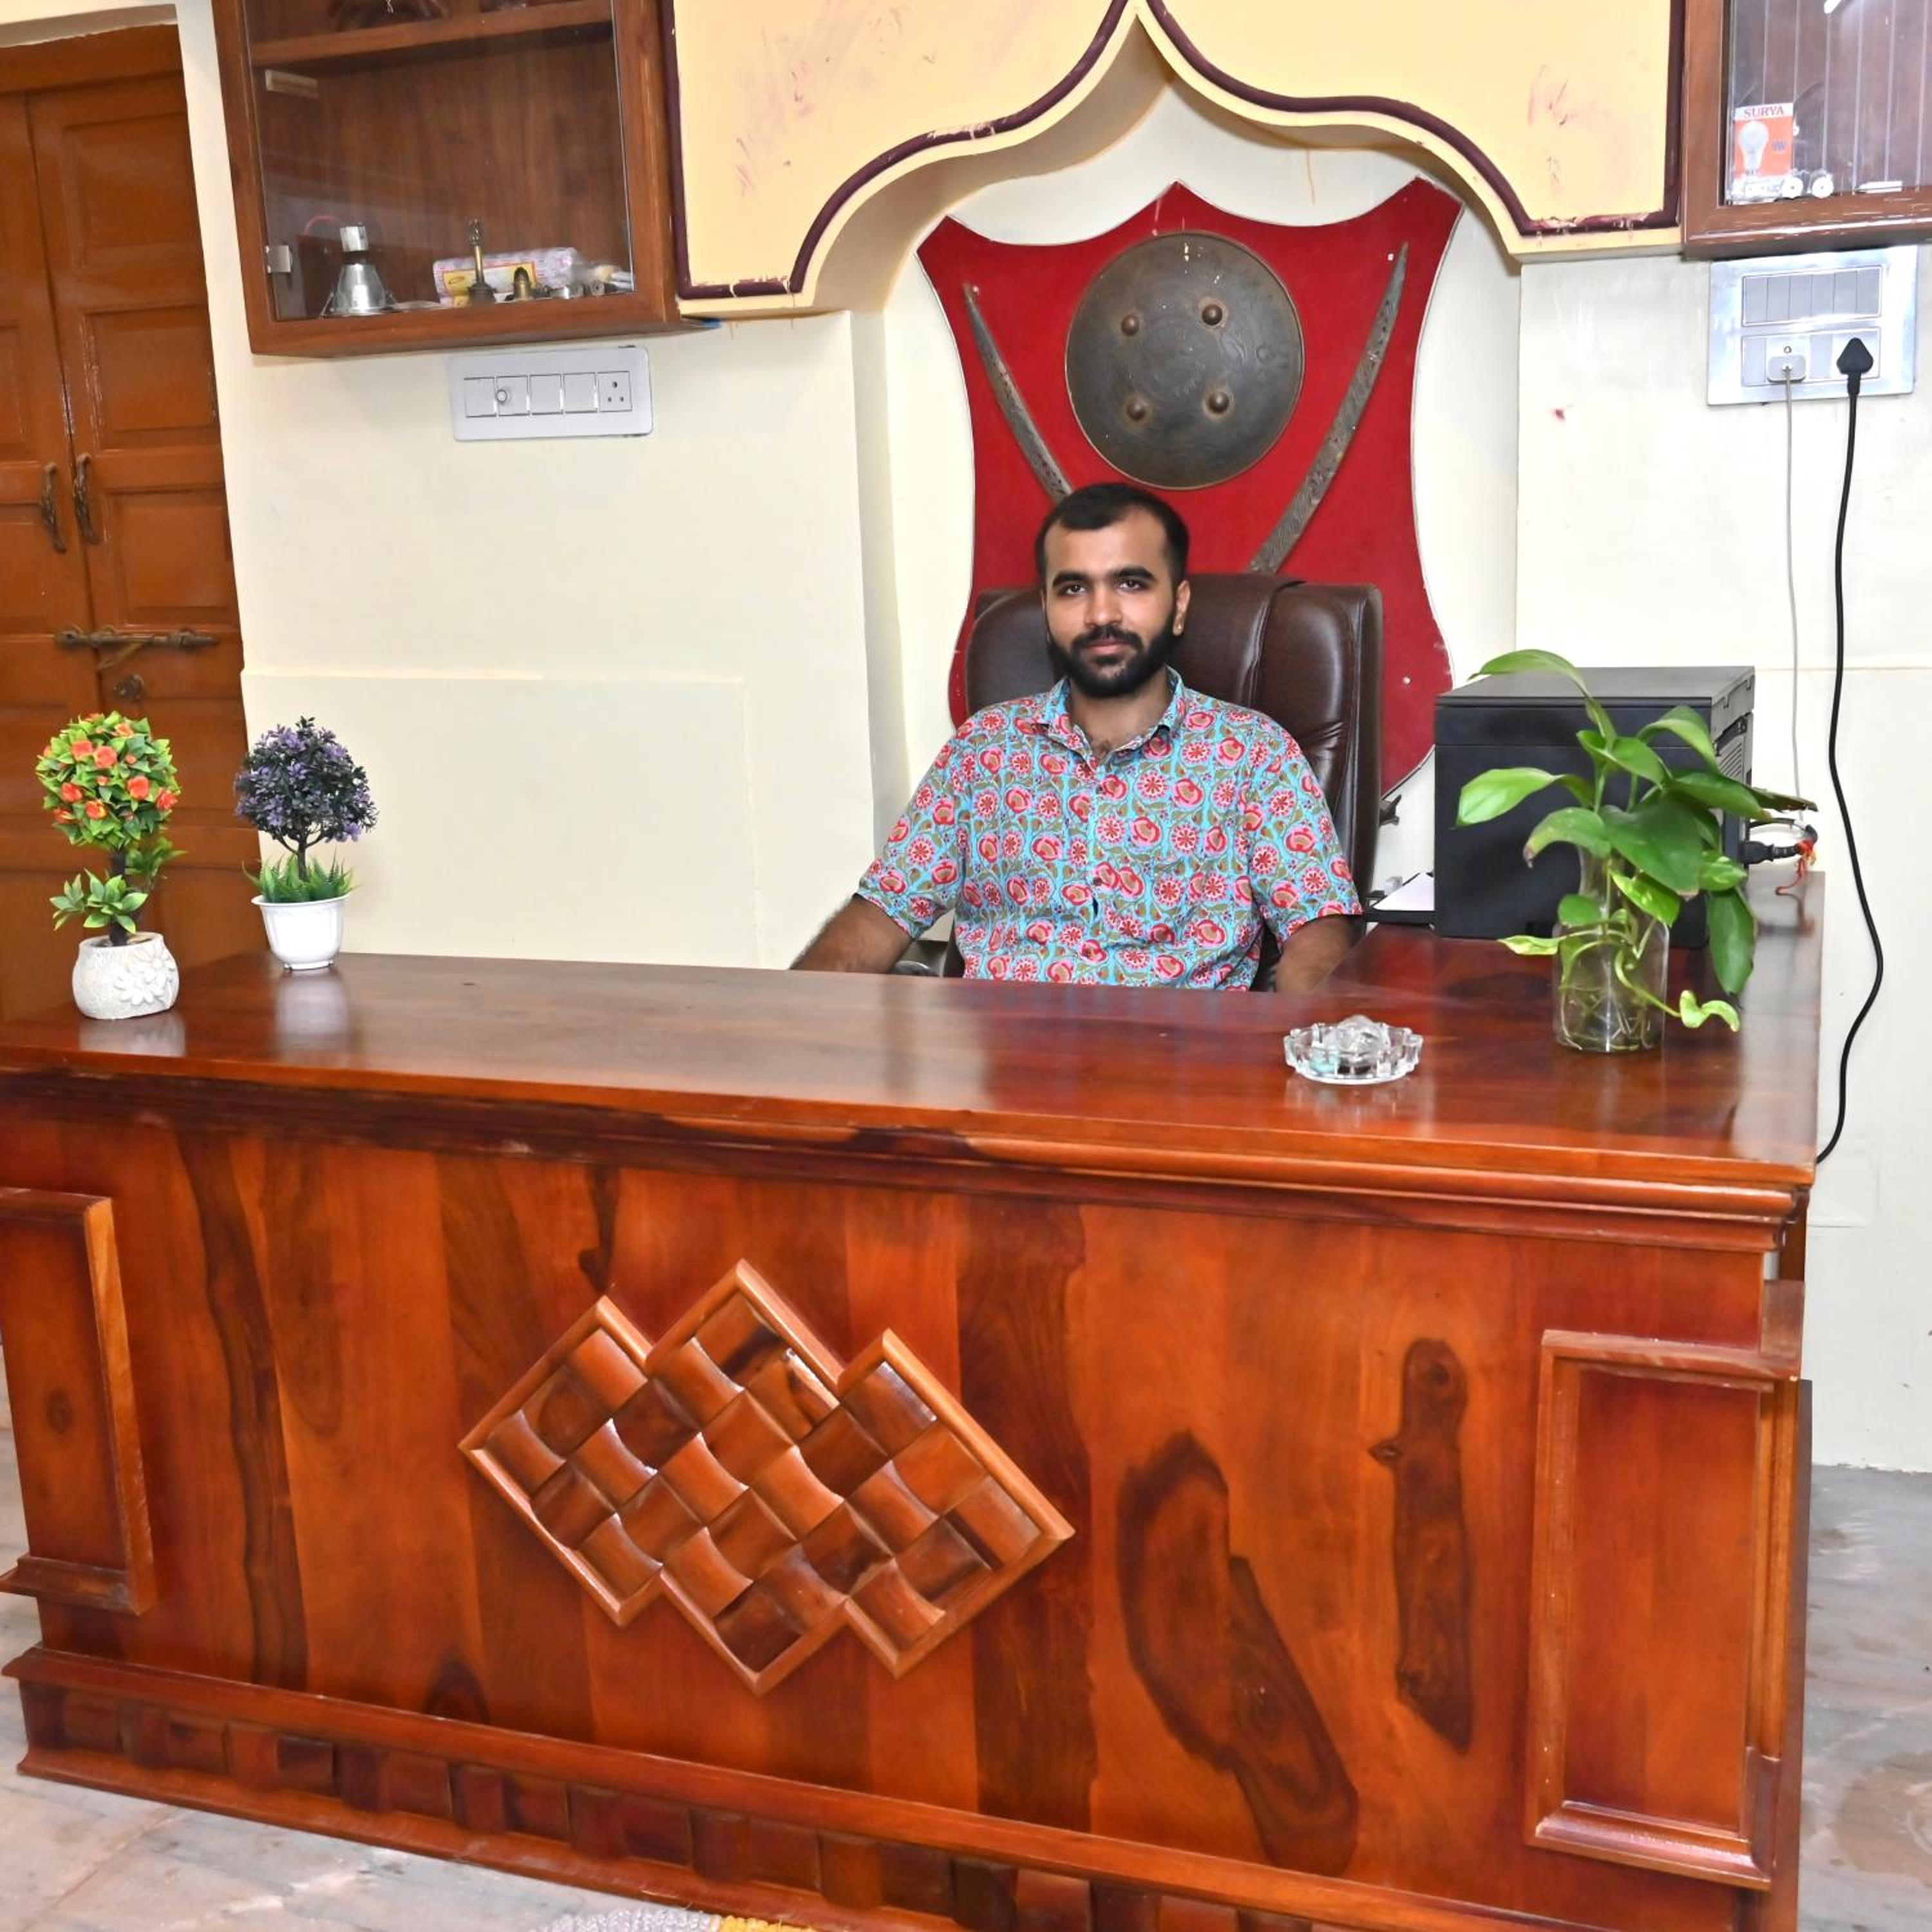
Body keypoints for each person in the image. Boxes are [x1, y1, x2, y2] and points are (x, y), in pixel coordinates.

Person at [793, 482, 1361, 993]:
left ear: (1179, 605)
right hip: (999, 1064)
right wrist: (780, 1023)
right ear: (1046, 609)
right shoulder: (983, 751)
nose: (1101, 614)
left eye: (1131, 583)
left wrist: (1316, 1041)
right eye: (1073, 589)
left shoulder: (1254, 756)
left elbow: (1317, 928)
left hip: (1180, 1063)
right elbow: (880, 915)